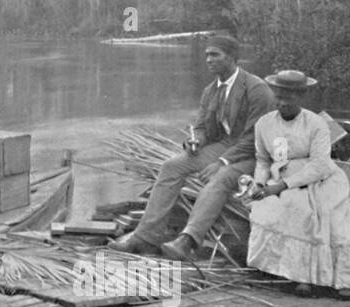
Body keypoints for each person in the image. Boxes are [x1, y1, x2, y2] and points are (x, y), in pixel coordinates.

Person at [111, 34, 275, 261]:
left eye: (215, 55)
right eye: (207, 54)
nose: (208, 59)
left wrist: (222, 162)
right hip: (225, 147)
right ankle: (145, 236)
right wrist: (196, 140)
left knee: (222, 176)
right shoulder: (211, 90)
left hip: (253, 153)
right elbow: (201, 127)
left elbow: (254, 138)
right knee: (171, 166)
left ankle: (187, 241)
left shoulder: (257, 90)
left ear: (232, 58)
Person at [246, 70, 350, 298]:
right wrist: (260, 184)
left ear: (301, 97)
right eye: (278, 97)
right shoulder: (264, 124)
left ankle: (342, 278)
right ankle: (299, 277)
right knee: (284, 207)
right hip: (280, 179)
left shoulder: (316, 124)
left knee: (323, 215)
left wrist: (282, 185)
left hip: (320, 180)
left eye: (289, 98)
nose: (282, 103)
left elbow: (320, 165)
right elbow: (263, 160)